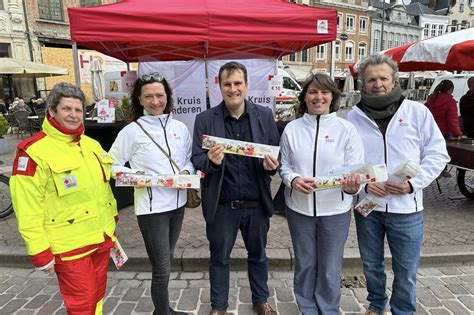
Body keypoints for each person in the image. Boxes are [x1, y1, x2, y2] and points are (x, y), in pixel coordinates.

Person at [347, 54, 450, 315]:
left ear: (394, 80)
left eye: (383, 78)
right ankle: (376, 305)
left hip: (407, 209)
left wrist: (414, 184)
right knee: (371, 264)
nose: (378, 84)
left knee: (406, 269)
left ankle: (403, 310)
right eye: (371, 79)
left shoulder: (416, 111)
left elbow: (438, 154)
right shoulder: (352, 117)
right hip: (368, 207)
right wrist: (363, 186)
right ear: (363, 84)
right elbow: (345, 163)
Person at [10, 82, 118, 314]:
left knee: (97, 293)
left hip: (100, 237)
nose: (73, 115)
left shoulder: (92, 145)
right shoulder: (32, 152)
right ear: (52, 111)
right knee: (82, 303)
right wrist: (40, 252)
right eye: (67, 109)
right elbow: (27, 208)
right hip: (69, 246)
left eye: (78, 110)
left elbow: (103, 189)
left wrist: (112, 222)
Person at [192, 61, 280, 315]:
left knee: (259, 255)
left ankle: (261, 300)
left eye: (238, 83)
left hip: (256, 204)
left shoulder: (263, 115)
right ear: (219, 85)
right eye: (228, 84)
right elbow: (196, 158)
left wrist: (271, 165)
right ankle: (219, 307)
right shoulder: (205, 119)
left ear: (247, 85)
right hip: (222, 205)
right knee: (219, 258)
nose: (233, 89)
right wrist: (211, 161)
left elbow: (275, 154)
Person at [279, 73, 364, 315]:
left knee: (329, 267)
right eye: (313, 92)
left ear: (332, 96)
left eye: (324, 92)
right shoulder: (292, 129)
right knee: (305, 264)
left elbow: (355, 171)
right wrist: (293, 179)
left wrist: (352, 186)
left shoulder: (347, 130)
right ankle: (307, 308)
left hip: (335, 211)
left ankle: (328, 309)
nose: (319, 97)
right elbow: (284, 166)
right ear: (304, 96)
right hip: (299, 209)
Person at [109, 72, 193, 315]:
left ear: (167, 96)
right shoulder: (132, 131)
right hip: (152, 209)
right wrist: (135, 176)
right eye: (149, 96)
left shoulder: (179, 127)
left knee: (168, 257)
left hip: (177, 205)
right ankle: (163, 312)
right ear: (140, 98)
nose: (156, 101)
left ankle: (164, 308)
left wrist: (187, 171)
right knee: (162, 267)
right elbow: (111, 164)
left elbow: (189, 159)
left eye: (160, 95)